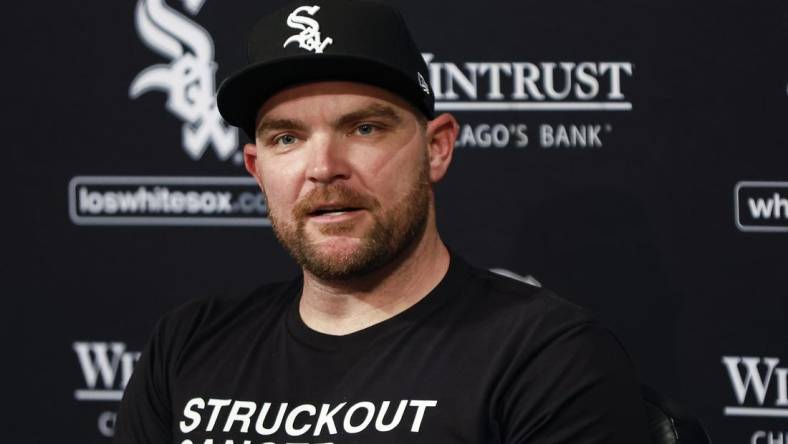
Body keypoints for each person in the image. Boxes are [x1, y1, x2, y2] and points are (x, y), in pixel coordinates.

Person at [113, 0, 651, 443]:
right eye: (287, 138)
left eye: (364, 128)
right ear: (257, 169)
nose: (323, 168)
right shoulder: (187, 347)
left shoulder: (546, 357)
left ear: (437, 148)